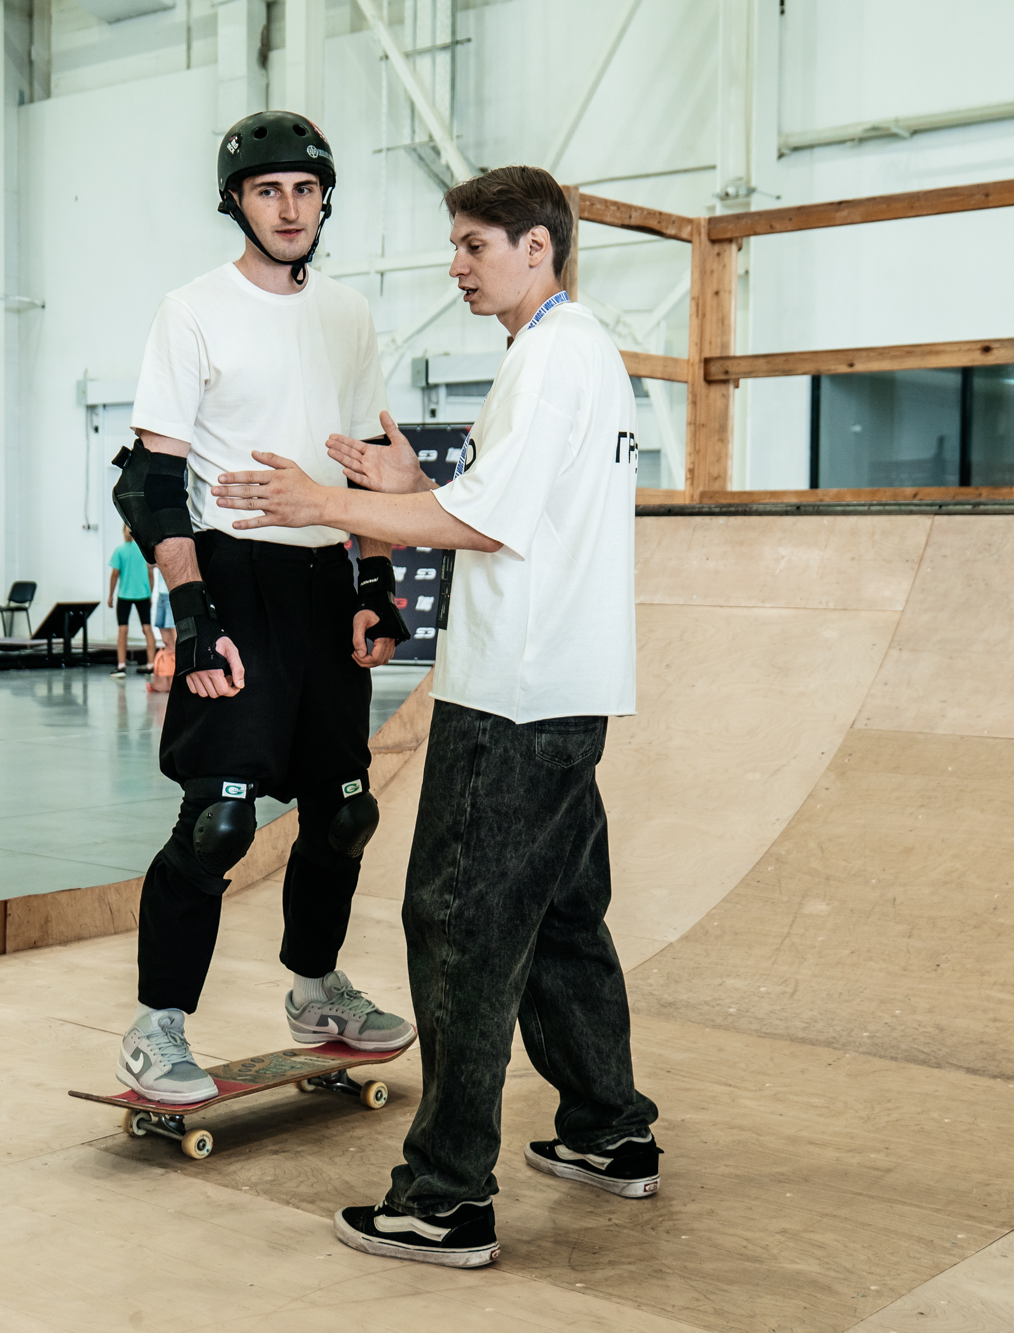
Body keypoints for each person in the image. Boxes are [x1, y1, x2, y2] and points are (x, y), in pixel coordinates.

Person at [211, 165, 657, 1268]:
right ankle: (608, 1127)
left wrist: (321, 502)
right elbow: (511, 503)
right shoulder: (574, 350)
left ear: (536, 246)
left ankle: (446, 1196)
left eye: (472, 245)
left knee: (458, 924)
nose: (454, 266)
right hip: (568, 688)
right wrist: (408, 481)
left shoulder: (549, 356)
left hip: (511, 695)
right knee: (560, 917)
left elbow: (484, 524)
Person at [106, 110, 417, 1105]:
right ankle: (156, 1026)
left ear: (325, 199)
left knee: (344, 810)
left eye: (304, 189)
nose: (288, 208)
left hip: (324, 577)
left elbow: (366, 471)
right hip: (233, 579)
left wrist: (373, 584)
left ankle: (317, 992)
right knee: (219, 821)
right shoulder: (192, 310)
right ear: (236, 202)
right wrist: (194, 614)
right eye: (266, 190)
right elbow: (151, 485)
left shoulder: (348, 316)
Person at [107, 528, 156, 677]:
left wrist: (110, 595)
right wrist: (150, 594)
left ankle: (121, 666)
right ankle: (151, 665)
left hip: (124, 595)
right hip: (143, 594)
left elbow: (115, 574)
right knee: (147, 629)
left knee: (122, 630)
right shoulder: (144, 551)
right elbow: (151, 574)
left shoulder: (120, 550)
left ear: (124, 531)